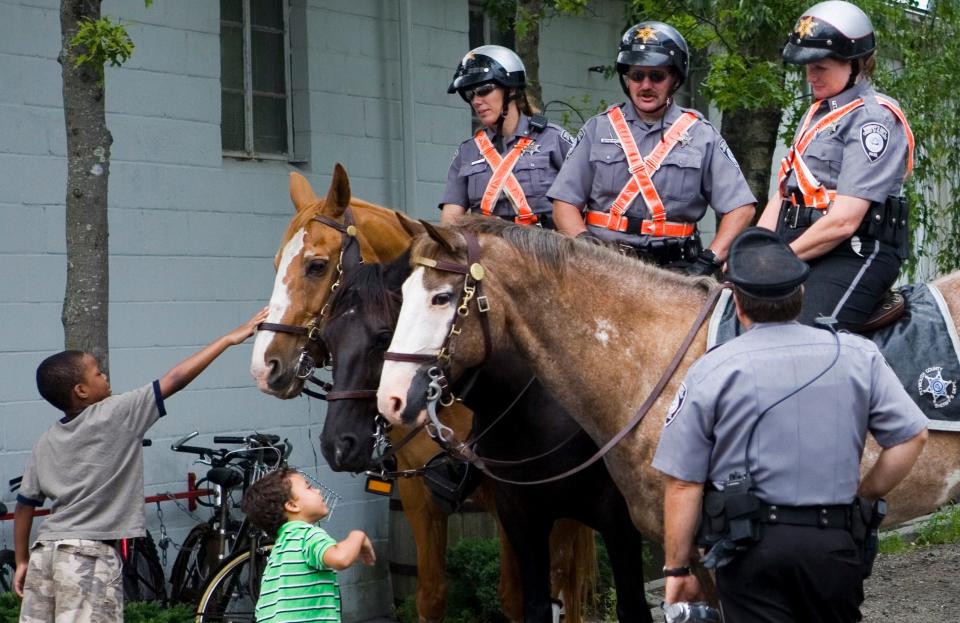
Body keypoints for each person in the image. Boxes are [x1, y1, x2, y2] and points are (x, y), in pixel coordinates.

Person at [653, 228, 928, 622]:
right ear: (800, 295)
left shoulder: (711, 369)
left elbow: (683, 482)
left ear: (739, 305)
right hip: (834, 544)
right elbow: (911, 436)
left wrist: (677, 569)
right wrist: (865, 494)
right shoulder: (857, 355)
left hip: (750, 550)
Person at [13, 307, 269, 622]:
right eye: (97, 372)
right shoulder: (115, 414)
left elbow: (25, 506)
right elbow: (175, 379)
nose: (104, 375)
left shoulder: (45, 440)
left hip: (45, 553)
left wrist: (23, 559)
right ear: (81, 391)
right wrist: (229, 339)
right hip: (87, 556)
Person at [547, 21, 755, 274]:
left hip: (676, 272)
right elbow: (564, 203)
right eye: (637, 76)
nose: (646, 85)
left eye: (656, 76)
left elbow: (741, 208)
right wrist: (586, 248)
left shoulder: (701, 134)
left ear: (675, 78)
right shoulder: (597, 129)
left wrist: (708, 260)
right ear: (627, 79)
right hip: (603, 269)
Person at [757, 0, 915, 331]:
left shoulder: (874, 119)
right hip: (800, 240)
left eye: (821, 67)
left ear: (856, 64)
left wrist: (781, 259)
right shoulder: (816, 113)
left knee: (805, 338)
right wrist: (758, 247)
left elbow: (844, 221)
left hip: (853, 251)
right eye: (807, 66)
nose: (810, 76)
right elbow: (785, 193)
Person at [440, 45, 575, 229]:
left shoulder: (553, 138)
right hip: (489, 253)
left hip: (545, 252)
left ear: (511, 89)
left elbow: (584, 203)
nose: (476, 101)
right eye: (470, 95)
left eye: (484, 90)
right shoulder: (467, 152)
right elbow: (450, 224)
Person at [241, 467, 375, 622]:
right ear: (292, 505)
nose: (318, 491)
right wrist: (357, 536)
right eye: (309, 487)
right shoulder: (308, 535)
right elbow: (340, 558)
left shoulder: (280, 550)